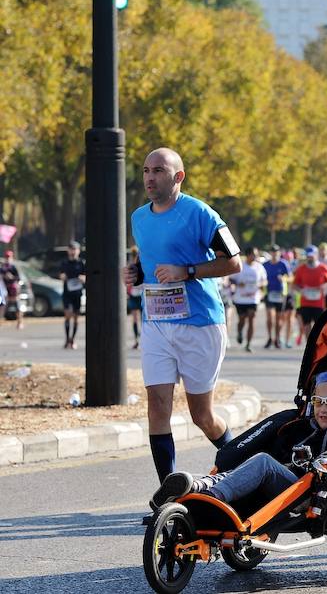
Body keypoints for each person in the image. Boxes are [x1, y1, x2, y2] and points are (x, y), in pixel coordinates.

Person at [122, 147, 242, 484]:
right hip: (157, 323)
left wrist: (187, 271)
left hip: (200, 323)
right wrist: (133, 272)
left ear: (179, 176)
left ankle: (241, 474)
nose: (149, 177)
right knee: (157, 407)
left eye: (158, 170)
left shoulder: (200, 213)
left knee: (201, 415)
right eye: (146, 170)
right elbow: (147, 260)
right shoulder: (138, 217)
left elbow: (234, 262)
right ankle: (168, 492)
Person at [151, 367, 327, 508]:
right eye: (318, 402)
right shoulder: (299, 426)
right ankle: (195, 487)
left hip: (311, 491)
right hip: (283, 481)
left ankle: (212, 498)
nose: (323, 409)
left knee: (262, 462)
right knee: (247, 463)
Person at [292, 245, 327, 348]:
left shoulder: (323, 268)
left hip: (318, 302)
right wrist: (301, 290)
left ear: (316, 255)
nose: (310, 258)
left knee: (319, 325)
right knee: (306, 324)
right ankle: (309, 345)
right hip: (305, 302)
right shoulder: (301, 269)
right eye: (308, 256)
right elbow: (294, 285)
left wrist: (323, 287)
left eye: (312, 255)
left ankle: (318, 345)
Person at [231, 247, 266, 352]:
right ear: (248, 255)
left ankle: (249, 344)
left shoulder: (259, 267)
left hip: (253, 298)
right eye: (254, 255)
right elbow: (231, 279)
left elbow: (265, 281)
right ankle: (240, 331)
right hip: (240, 298)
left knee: (252, 317)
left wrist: (261, 285)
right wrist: (238, 283)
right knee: (242, 319)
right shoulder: (240, 265)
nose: (255, 257)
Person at [262, 245, 291, 349]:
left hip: (280, 294)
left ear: (279, 253)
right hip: (269, 293)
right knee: (270, 317)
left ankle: (277, 338)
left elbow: (290, 278)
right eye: (272, 251)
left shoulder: (283, 264)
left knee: (279, 319)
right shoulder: (265, 265)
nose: (274, 253)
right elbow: (261, 277)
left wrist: (283, 278)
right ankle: (270, 337)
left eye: (276, 252)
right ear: (270, 253)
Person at [59, 241, 86, 349]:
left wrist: (83, 278)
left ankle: (72, 339)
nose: (73, 251)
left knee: (76, 318)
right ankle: (66, 339)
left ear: (78, 251)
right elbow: (60, 274)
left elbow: (86, 276)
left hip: (77, 293)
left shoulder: (82, 263)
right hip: (67, 293)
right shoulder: (64, 263)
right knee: (67, 315)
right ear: (68, 251)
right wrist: (62, 276)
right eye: (71, 249)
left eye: (75, 249)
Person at [126, 248, 143, 349]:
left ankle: (141, 339)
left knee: (141, 318)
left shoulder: (142, 265)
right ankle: (136, 339)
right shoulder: (130, 266)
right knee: (136, 318)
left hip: (141, 294)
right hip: (133, 294)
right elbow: (127, 281)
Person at [1, 251, 23, 329]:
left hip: (13, 288)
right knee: (3, 306)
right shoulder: (3, 267)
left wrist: (12, 277)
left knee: (17, 305)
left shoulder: (14, 267)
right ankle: (1, 321)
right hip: (4, 289)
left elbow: (19, 278)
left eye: (9, 257)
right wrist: (4, 276)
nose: (8, 259)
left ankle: (20, 322)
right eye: (7, 257)